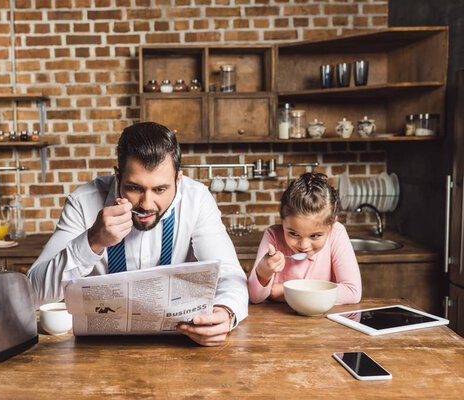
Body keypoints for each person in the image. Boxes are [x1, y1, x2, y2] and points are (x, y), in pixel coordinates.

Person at [28, 121, 248, 346]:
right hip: (95, 350)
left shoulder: (197, 199)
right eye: (134, 188)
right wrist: (91, 242)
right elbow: (33, 293)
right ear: (117, 175)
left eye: (160, 189)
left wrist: (225, 312)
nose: (146, 204)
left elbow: (231, 275)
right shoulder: (83, 202)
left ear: (178, 180)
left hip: (178, 346)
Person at [248, 172, 361, 305]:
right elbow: (255, 298)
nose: (304, 245)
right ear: (283, 221)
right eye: (294, 234)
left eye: (315, 235)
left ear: (331, 226)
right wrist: (263, 272)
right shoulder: (272, 236)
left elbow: (353, 292)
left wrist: (287, 292)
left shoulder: (336, 233)